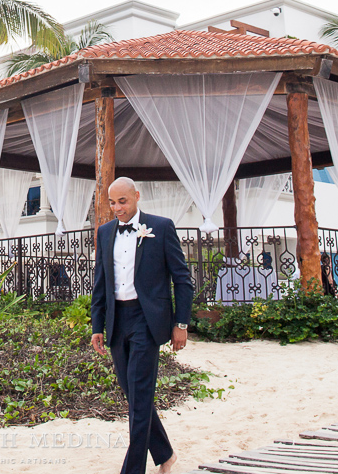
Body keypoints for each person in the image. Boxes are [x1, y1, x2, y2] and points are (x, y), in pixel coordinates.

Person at [90, 177, 194, 474]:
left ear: (136, 196)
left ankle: (132, 469)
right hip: (116, 321)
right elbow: (101, 283)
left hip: (147, 321)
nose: (117, 208)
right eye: (112, 202)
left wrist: (181, 324)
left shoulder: (161, 227)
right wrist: (98, 325)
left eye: (122, 201)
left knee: (138, 394)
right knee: (134, 394)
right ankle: (165, 453)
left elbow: (182, 279)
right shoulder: (105, 232)